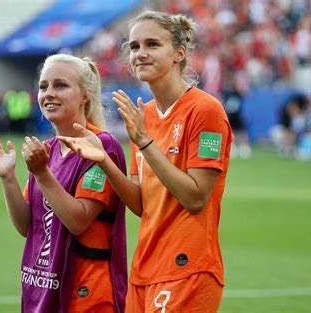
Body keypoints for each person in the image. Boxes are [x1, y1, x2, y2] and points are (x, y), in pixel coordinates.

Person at [60, 10, 233, 312]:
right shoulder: (145, 116)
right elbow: (141, 204)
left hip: (187, 267)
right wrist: (104, 161)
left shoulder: (206, 111)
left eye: (152, 44)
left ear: (179, 53)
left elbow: (195, 198)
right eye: (135, 46)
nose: (140, 53)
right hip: (145, 269)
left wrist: (144, 141)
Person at [0, 54, 128, 312]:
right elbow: (28, 226)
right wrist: (8, 177)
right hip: (42, 288)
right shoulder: (47, 149)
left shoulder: (102, 146)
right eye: (43, 86)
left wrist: (41, 173)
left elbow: (79, 220)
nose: (49, 93)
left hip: (86, 294)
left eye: (60, 85)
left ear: (84, 95)